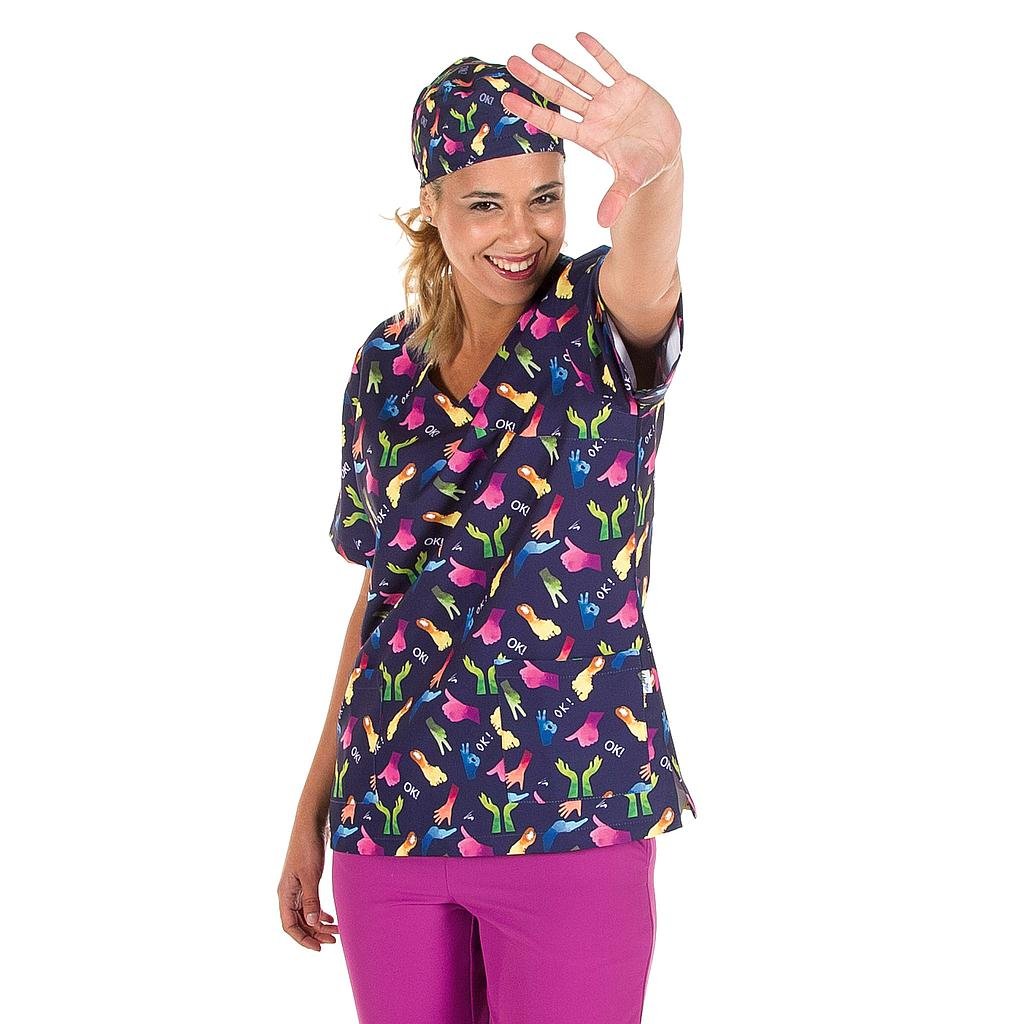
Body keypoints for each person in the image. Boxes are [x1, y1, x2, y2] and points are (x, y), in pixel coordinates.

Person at [279, 35, 697, 1024]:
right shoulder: (384, 365)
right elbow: (380, 598)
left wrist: (661, 168)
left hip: (569, 814)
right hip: (388, 815)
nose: (521, 233)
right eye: (484, 203)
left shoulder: (595, 323)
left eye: (544, 198)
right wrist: (311, 810)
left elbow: (650, 275)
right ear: (431, 203)